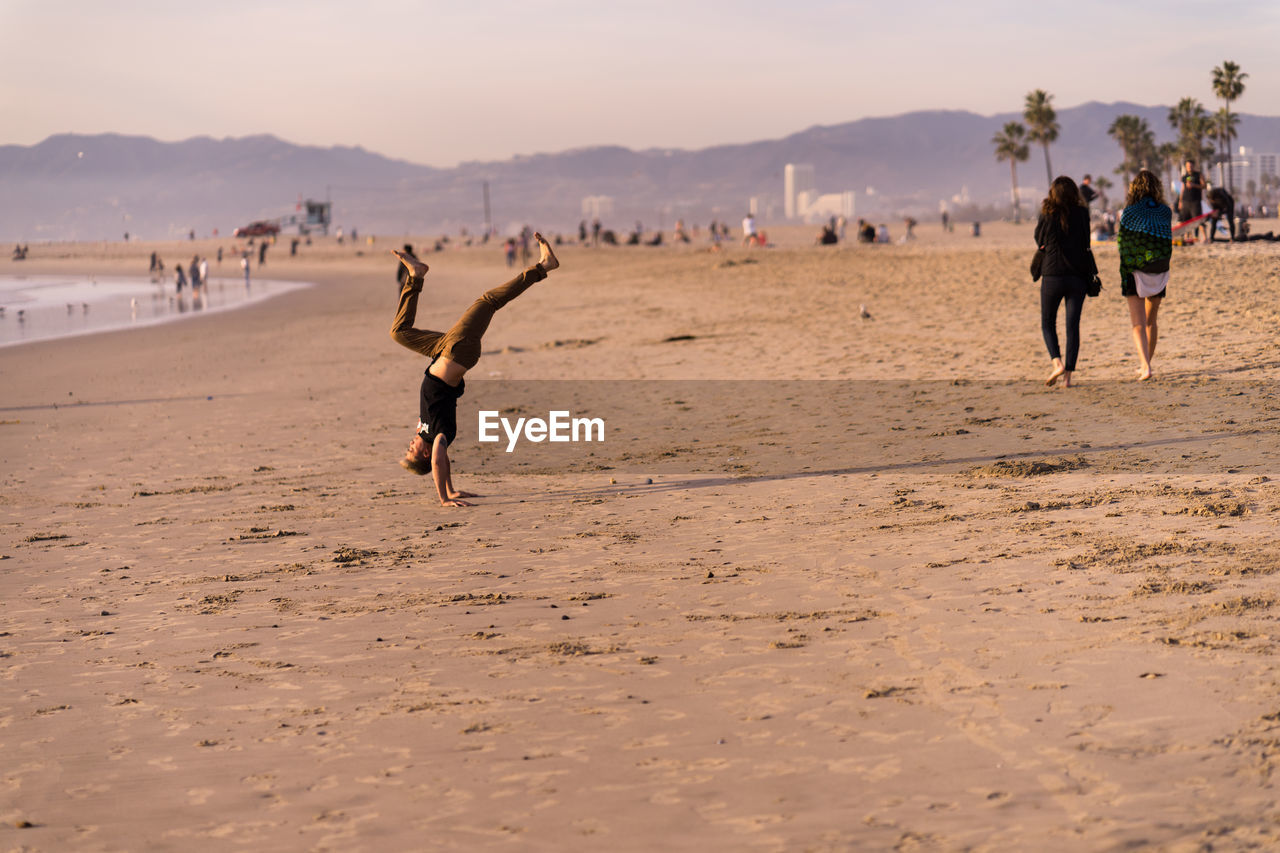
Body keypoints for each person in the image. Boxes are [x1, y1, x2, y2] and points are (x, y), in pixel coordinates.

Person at [390, 233, 560, 507]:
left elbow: (435, 455)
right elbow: (439, 460)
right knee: (489, 301)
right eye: (411, 453)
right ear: (423, 455)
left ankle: (416, 275)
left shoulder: (424, 430)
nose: (409, 447)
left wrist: (452, 489)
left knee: (399, 332)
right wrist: (444, 497)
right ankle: (544, 267)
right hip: (457, 350)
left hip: (439, 351)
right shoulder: (440, 434)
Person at [1034, 176, 1093, 388]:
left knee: (1048, 322)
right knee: (1072, 326)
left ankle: (1056, 362)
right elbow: (1086, 241)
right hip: (1077, 275)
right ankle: (1068, 377)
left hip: (1052, 274)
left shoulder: (1047, 213)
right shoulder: (1082, 213)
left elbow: (1039, 239)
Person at [1117, 169, 1172, 381]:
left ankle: (1145, 365)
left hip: (1135, 269)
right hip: (1159, 269)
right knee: (1152, 321)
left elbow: (1123, 244)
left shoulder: (1129, 212)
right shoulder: (1165, 211)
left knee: (1138, 323)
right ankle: (1147, 363)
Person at [1178, 160, 1204, 231]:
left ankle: (1204, 237)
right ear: (1186, 167)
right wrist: (1180, 202)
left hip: (1195, 201)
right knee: (1184, 220)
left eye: (1191, 166)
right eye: (1188, 166)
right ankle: (1186, 237)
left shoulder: (1198, 174)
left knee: (1198, 220)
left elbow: (1204, 186)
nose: (1189, 167)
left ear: (1193, 166)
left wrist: (1194, 185)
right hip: (1185, 200)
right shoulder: (1184, 177)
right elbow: (1182, 189)